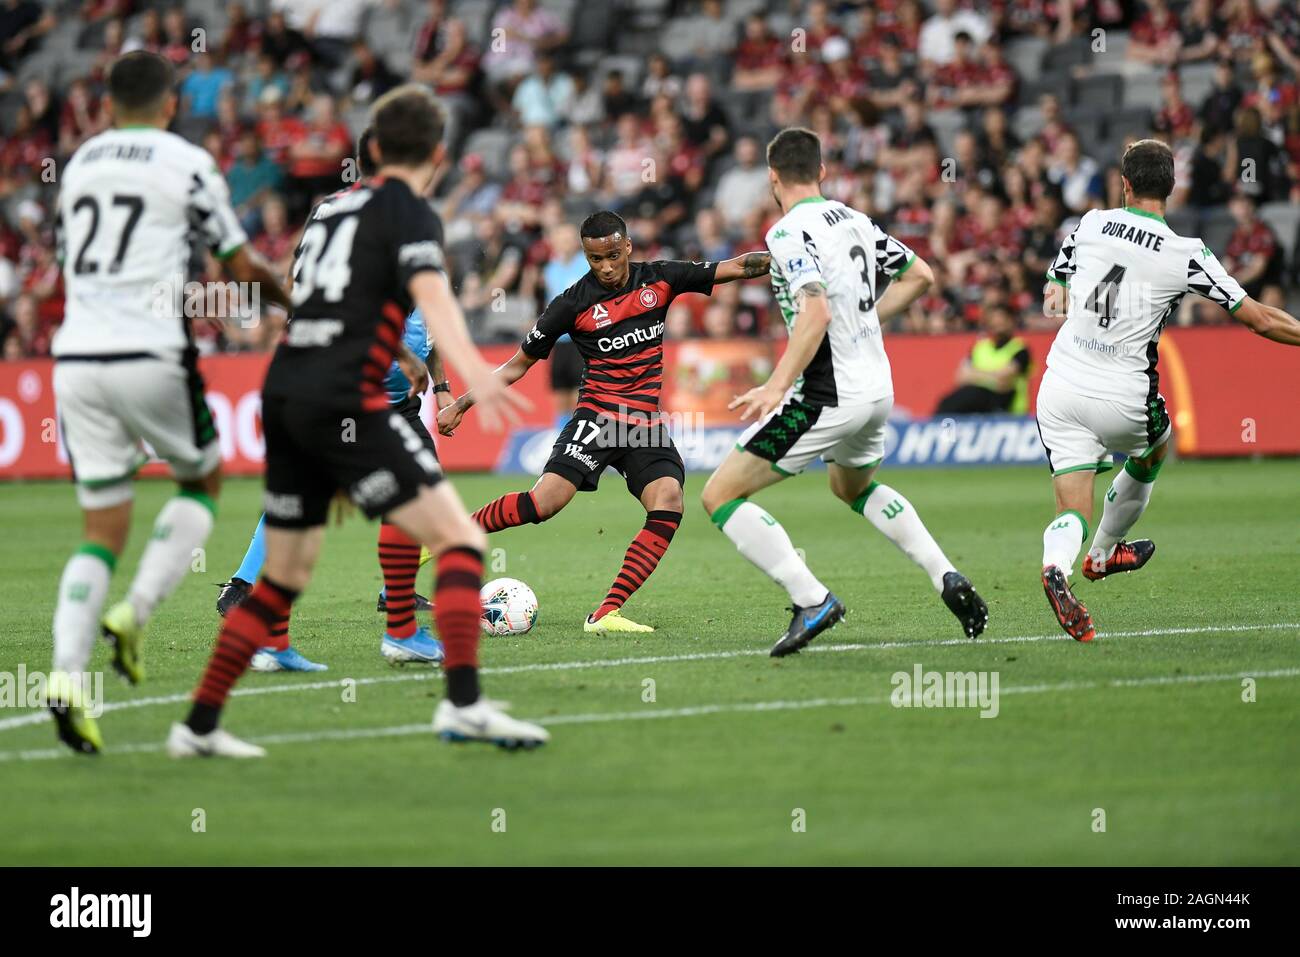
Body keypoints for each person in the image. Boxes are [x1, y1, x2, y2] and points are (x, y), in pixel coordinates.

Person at [169, 85, 545, 757]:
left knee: (288, 558)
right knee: (458, 539)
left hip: (289, 385)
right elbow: (434, 301)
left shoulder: (327, 209)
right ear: (438, 153)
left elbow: (308, 290)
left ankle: (208, 713)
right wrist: (477, 372)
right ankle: (462, 702)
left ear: (370, 149)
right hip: (354, 392)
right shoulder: (413, 213)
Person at [45, 52, 291, 754]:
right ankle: (135, 612)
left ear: (107, 102)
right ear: (171, 103)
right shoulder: (184, 161)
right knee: (202, 480)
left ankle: (65, 677)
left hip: (75, 359)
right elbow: (239, 263)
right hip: (150, 352)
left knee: (100, 529)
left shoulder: (81, 163)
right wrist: (289, 303)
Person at [699, 127, 988, 657]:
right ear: (823, 172)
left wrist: (775, 385)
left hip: (826, 396)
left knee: (719, 495)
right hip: (876, 389)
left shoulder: (786, 233)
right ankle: (943, 573)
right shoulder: (854, 220)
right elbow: (921, 275)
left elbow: (815, 311)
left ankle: (812, 599)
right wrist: (866, 319)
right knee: (851, 488)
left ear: (772, 177)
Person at [436, 210, 772, 633]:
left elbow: (739, 265)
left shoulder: (662, 277)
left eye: (614, 255)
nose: (607, 267)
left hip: (643, 423)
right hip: (596, 417)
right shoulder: (571, 304)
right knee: (545, 503)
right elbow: (516, 365)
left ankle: (605, 612)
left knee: (668, 499)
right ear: (586, 257)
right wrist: (462, 404)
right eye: (596, 259)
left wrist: (790, 256)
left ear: (628, 246)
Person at [1036, 139, 1300, 642]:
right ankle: (1103, 553)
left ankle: (1057, 565)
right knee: (1156, 445)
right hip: (1122, 396)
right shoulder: (1186, 253)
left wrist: (1080, 314)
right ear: (1172, 189)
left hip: (1060, 386)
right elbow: (1260, 319)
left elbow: (1054, 291)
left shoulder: (1089, 223)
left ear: (1125, 184)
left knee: (1071, 509)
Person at [214, 128, 456, 672]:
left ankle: (265, 629)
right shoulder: (391, 219)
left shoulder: (334, 214)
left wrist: (437, 382)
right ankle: (398, 625)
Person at [935, 305, 1032, 414]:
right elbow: (961, 377)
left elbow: (1004, 380)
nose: (997, 324)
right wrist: (993, 376)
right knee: (948, 402)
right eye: (994, 321)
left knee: (971, 395)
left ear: (1011, 321)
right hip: (977, 404)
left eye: (1001, 320)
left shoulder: (1020, 349)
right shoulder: (980, 347)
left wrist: (974, 374)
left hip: (1008, 408)